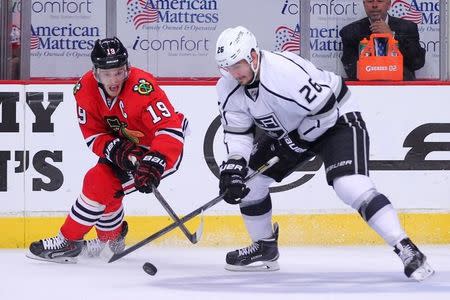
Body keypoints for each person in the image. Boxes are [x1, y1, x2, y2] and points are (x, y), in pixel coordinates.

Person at [214, 26, 434, 281]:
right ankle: (265, 248)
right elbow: (238, 132)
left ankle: (406, 247)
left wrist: (295, 142)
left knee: (349, 185)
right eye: (227, 67)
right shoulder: (228, 86)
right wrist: (234, 164)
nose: (233, 72)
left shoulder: (284, 72)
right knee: (250, 182)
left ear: (252, 56)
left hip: (337, 118)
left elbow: (327, 111)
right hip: (294, 129)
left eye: (237, 65)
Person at [26, 37, 188, 263]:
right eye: (107, 73)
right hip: (125, 145)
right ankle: (110, 242)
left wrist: (153, 162)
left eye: (119, 72)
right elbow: (93, 135)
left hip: (160, 150)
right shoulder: (84, 90)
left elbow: (169, 130)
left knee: (99, 182)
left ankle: (69, 241)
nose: (113, 80)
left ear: (127, 68)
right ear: (95, 72)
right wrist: (115, 149)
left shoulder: (143, 87)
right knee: (105, 189)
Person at [339, 0, 425, 80]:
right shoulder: (350, 32)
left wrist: (392, 37)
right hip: (366, 89)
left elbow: (417, 62)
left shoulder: (408, 28)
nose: (374, 5)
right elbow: (352, 70)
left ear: (388, 4)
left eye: (380, 1)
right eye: (370, 1)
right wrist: (384, 71)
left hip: (400, 88)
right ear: (364, 4)